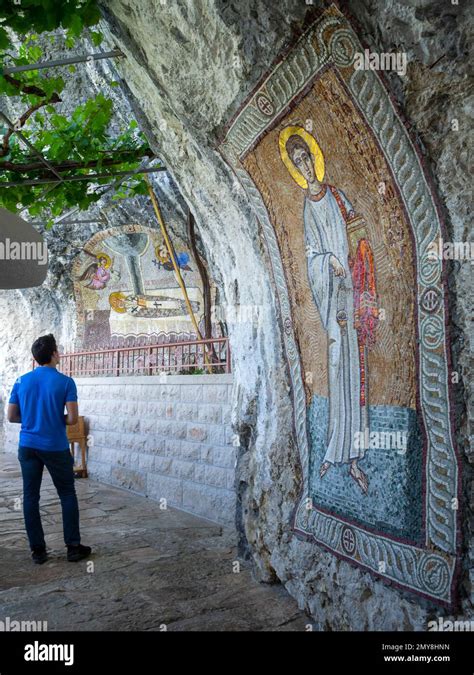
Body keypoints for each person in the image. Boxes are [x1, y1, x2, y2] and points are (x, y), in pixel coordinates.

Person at [7, 334, 92, 564]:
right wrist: (53, 418)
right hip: (55, 447)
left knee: (30, 497)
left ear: (35, 358)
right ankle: (73, 547)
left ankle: (38, 552)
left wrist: (35, 418)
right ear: (54, 354)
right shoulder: (65, 382)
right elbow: (73, 419)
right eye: (58, 350)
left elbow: (12, 416)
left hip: (28, 446)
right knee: (66, 493)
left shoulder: (21, 381)